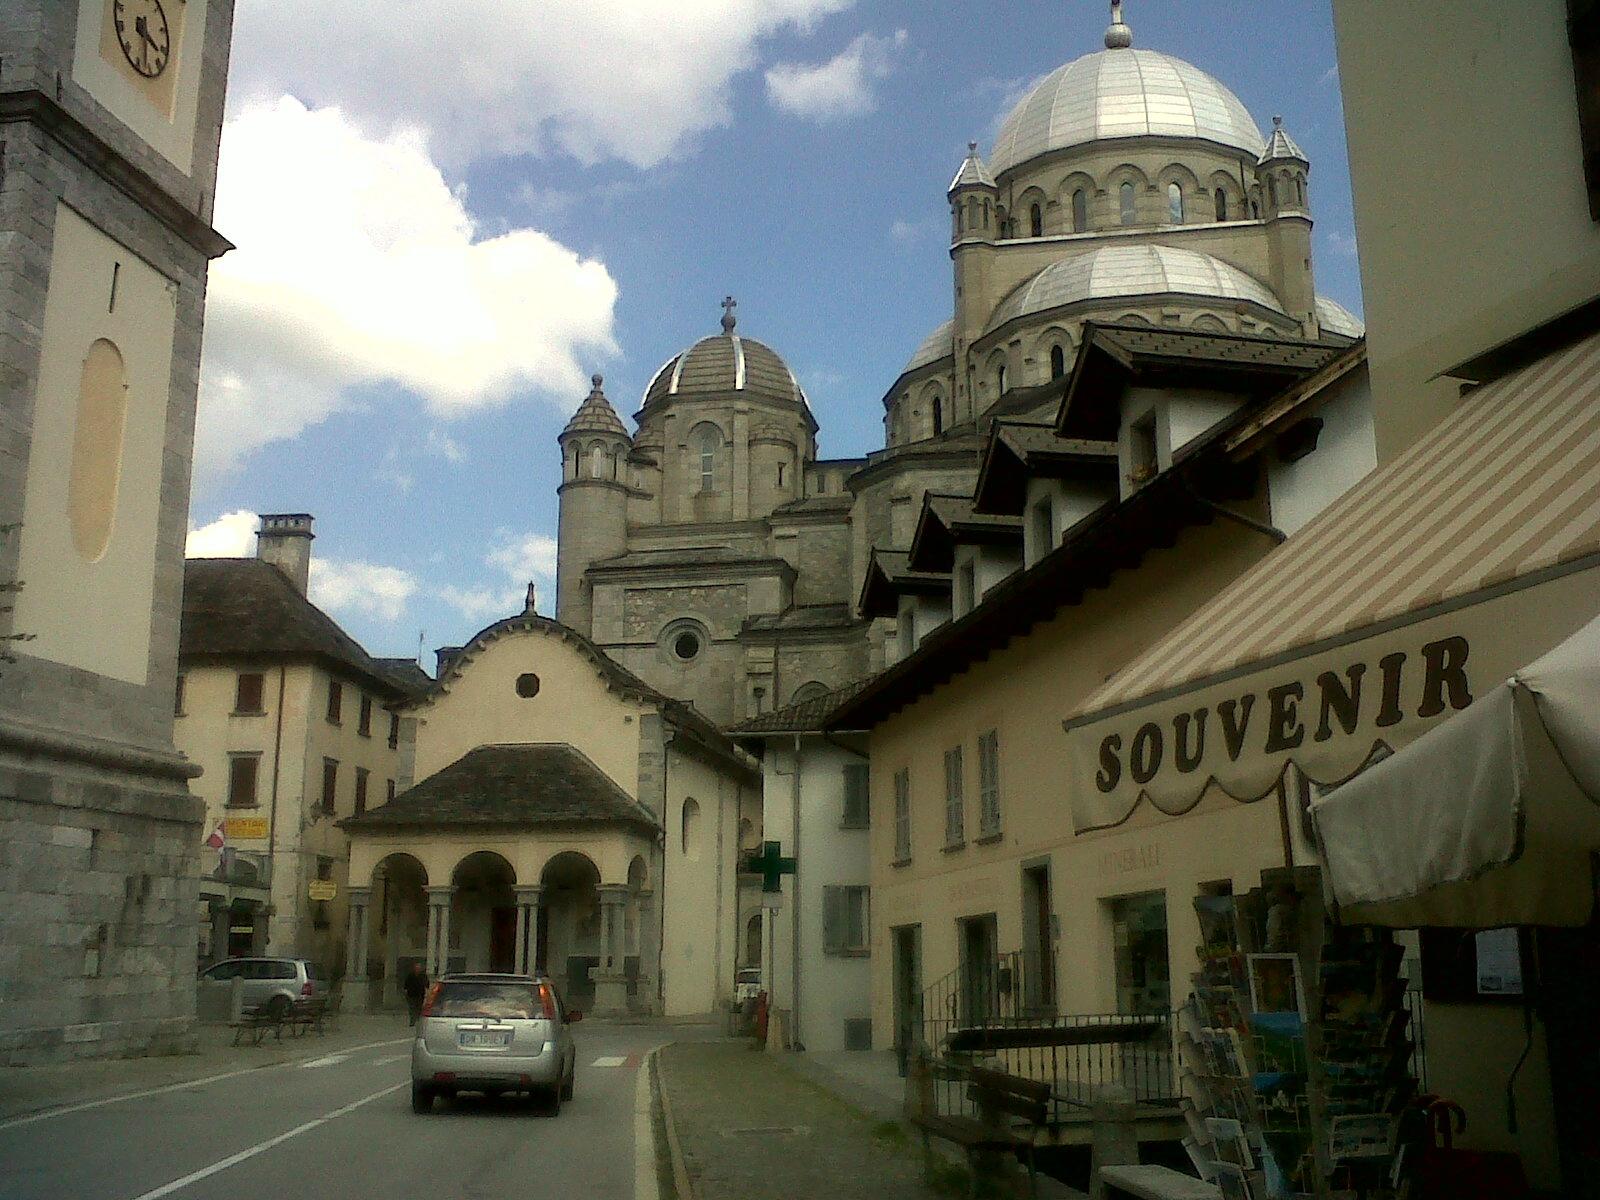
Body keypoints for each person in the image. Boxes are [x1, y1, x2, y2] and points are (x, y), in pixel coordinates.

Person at [403, 962, 429, 1026]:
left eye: (418, 968)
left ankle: (417, 1019)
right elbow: (406, 984)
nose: (417, 969)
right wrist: (405, 991)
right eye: (416, 968)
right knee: (412, 1008)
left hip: (420, 995)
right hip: (411, 994)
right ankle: (412, 1020)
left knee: (419, 1008)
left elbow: (427, 984)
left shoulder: (423, 975)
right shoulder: (410, 975)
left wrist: (427, 989)